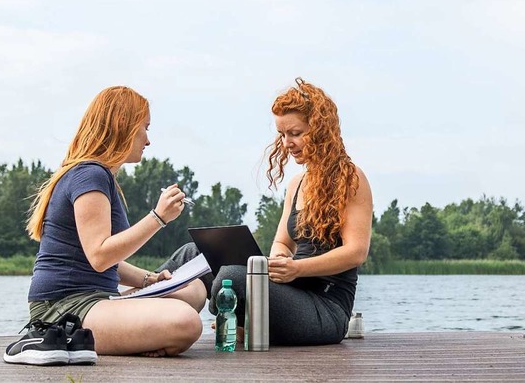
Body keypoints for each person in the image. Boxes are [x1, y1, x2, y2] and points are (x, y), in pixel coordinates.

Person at [157, 77, 372, 345]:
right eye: (282, 134)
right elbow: (282, 241)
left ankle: (238, 320)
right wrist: (278, 259)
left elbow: (356, 252)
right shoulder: (297, 184)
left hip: (325, 310)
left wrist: (296, 269)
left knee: (232, 277)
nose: (286, 143)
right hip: (289, 291)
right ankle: (141, 308)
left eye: (295, 133)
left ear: (320, 130)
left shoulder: (351, 179)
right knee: (194, 253)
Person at [22, 86, 206, 359]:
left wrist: (149, 279)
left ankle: (138, 337)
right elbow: (99, 255)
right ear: (124, 126)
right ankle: (52, 333)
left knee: (194, 291)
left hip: (98, 298)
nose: (148, 140)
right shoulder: (89, 175)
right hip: (64, 306)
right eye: (145, 128)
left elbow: (105, 260)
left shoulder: (97, 175)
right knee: (186, 322)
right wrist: (158, 218)